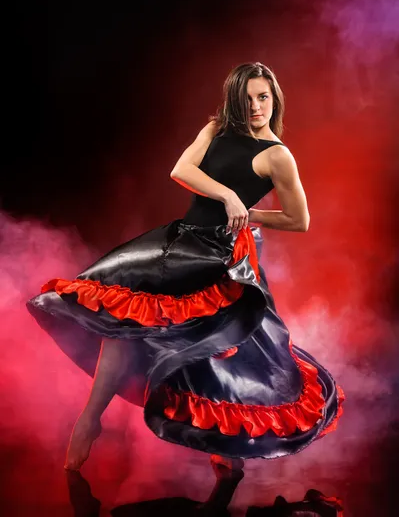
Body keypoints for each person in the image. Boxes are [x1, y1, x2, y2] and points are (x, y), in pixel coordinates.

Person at [26, 62, 344, 476]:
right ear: (233, 100)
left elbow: (299, 219)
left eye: (263, 97)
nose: (255, 107)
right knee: (124, 316)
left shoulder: (278, 155)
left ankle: (225, 448)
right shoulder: (216, 129)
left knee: (216, 353)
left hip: (222, 255)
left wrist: (250, 215)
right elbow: (182, 170)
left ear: (275, 100)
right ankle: (90, 419)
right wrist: (229, 195)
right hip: (182, 240)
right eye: (247, 98)